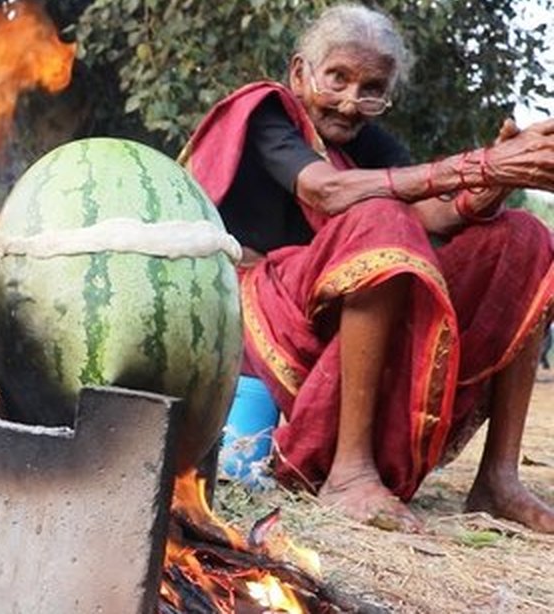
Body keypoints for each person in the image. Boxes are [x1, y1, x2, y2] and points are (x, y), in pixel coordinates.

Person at [179, 3, 554, 533]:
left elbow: (432, 215)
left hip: (337, 307)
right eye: (338, 78)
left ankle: (497, 479)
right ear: (299, 72)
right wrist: (474, 166)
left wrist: (498, 177)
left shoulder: (365, 141)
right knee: (377, 216)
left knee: (525, 237)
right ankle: (349, 474)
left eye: (372, 88)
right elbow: (326, 191)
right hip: (250, 302)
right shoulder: (269, 112)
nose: (352, 102)